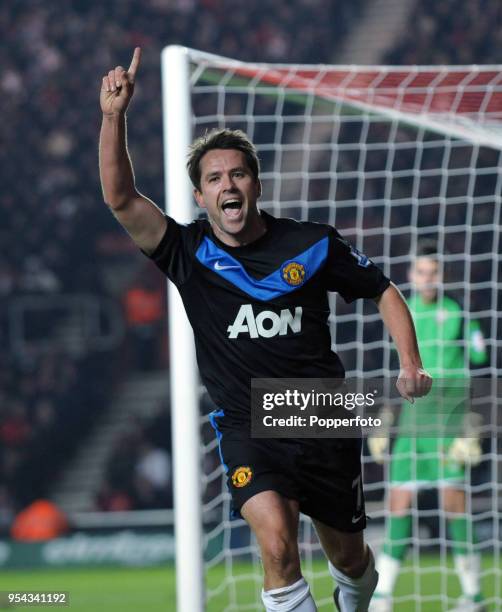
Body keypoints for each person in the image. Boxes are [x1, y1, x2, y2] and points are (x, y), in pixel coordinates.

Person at [99, 48, 432, 612]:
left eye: (238, 172)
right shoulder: (186, 250)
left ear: (255, 183)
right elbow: (121, 198)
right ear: (201, 197)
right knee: (277, 547)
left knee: (350, 560)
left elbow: (383, 289)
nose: (227, 184)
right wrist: (114, 117)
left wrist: (410, 362)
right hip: (248, 422)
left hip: (320, 412)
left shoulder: (312, 243)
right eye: (214, 178)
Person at [368, 241, 488, 612]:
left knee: (455, 506)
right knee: (399, 505)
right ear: (410, 276)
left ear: (442, 275)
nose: (427, 278)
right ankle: (383, 596)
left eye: (433, 272)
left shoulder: (459, 316)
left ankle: (473, 596)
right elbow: (395, 373)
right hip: (412, 428)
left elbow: (481, 372)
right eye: (421, 272)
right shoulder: (401, 313)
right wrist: (384, 421)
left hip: (449, 427)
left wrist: (474, 424)